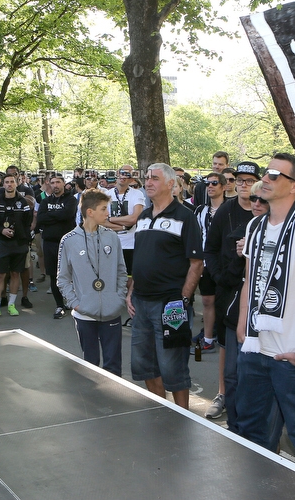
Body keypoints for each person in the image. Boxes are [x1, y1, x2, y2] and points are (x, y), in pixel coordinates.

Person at [235, 153, 295, 475]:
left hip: (294, 355)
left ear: (294, 186)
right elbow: (249, 280)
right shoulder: (255, 225)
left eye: (275, 175)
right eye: (267, 172)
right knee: (252, 434)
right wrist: (242, 330)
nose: (266, 178)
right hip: (255, 350)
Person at [128, 163, 203, 409]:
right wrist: (130, 293)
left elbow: (196, 263)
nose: (148, 182)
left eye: (155, 179)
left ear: (171, 184)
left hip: (170, 305)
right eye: (147, 178)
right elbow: (139, 258)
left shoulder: (185, 216)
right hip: (140, 304)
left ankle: (183, 416)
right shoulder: (143, 217)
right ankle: (163, 410)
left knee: (173, 368)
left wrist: (183, 299)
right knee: (143, 365)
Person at [203, 168, 264, 426]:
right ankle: (224, 396)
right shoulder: (225, 212)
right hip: (228, 291)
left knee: (253, 360)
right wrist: (219, 278)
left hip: (258, 297)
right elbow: (211, 249)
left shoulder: (268, 214)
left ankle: (254, 416)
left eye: (250, 182)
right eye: (239, 181)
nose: (244, 186)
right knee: (228, 353)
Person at [57, 190, 128, 375]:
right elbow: (62, 277)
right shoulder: (69, 240)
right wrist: (76, 303)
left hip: (112, 312)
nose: (108, 213)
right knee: (90, 365)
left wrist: (118, 299)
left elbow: (121, 271)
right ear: (90, 212)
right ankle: (94, 403)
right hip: (85, 314)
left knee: (113, 366)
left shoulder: (111, 236)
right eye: (104, 209)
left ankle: (114, 402)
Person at [101, 165, 146, 309]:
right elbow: (101, 220)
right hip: (111, 242)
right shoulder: (107, 194)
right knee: (110, 275)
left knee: (129, 277)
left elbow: (135, 218)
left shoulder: (137, 194)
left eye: (127, 174)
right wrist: (122, 225)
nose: (122, 176)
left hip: (131, 243)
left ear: (131, 178)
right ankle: (113, 302)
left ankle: (129, 300)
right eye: (120, 173)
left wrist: (112, 219)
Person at [0, 172, 34, 318]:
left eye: (12, 182)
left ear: (16, 184)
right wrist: (2, 230)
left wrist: (19, 233)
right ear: (3, 184)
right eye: (7, 182)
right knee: (0, 275)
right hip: (1, 243)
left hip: (19, 244)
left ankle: (11, 305)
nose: (9, 184)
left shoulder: (23, 202)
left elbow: (27, 222)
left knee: (16, 274)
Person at [192, 171, 226, 355]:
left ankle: (223, 337)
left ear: (223, 186)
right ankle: (207, 339)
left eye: (214, 183)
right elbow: (196, 235)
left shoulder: (229, 208)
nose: (210, 187)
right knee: (206, 300)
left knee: (223, 300)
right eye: (207, 184)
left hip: (223, 262)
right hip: (205, 261)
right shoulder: (200, 210)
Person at [35, 174, 77, 319]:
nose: (55, 185)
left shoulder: (71, 199)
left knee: (73, 274)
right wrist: (57, 216)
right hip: (50, 243)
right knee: (54, 276)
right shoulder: (46, 201)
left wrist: (51, 216)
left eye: (58, 182)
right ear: (49, 185)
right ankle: (59, 305)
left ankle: (73, 302)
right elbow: (40, 219)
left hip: (68, 243)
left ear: (64, 183)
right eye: (52, 183)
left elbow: (68, 214)